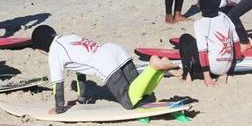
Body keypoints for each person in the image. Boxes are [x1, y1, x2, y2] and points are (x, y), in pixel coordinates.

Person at [31, 25, 177, 114]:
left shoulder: (54, 52)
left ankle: (153, 68)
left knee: (129, 102)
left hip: (106, 63)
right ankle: (159, 69)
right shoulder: (68, 37)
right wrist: (81, 100)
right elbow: (80, 72)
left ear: (41, 49)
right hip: (115, 50)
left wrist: (59, 109)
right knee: (142, 93)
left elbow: (57, 83)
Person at [171, 0, 241, 86]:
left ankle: (187, 75)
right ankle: (222, 75)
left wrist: (207, 78)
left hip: (212, 68)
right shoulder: (225, 17)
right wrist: (236, 60)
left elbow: (202, 51)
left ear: (203, 3)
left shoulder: (200, 23)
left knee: (185, 38)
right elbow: (236, 42)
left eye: (199, 0)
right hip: (227, 66)